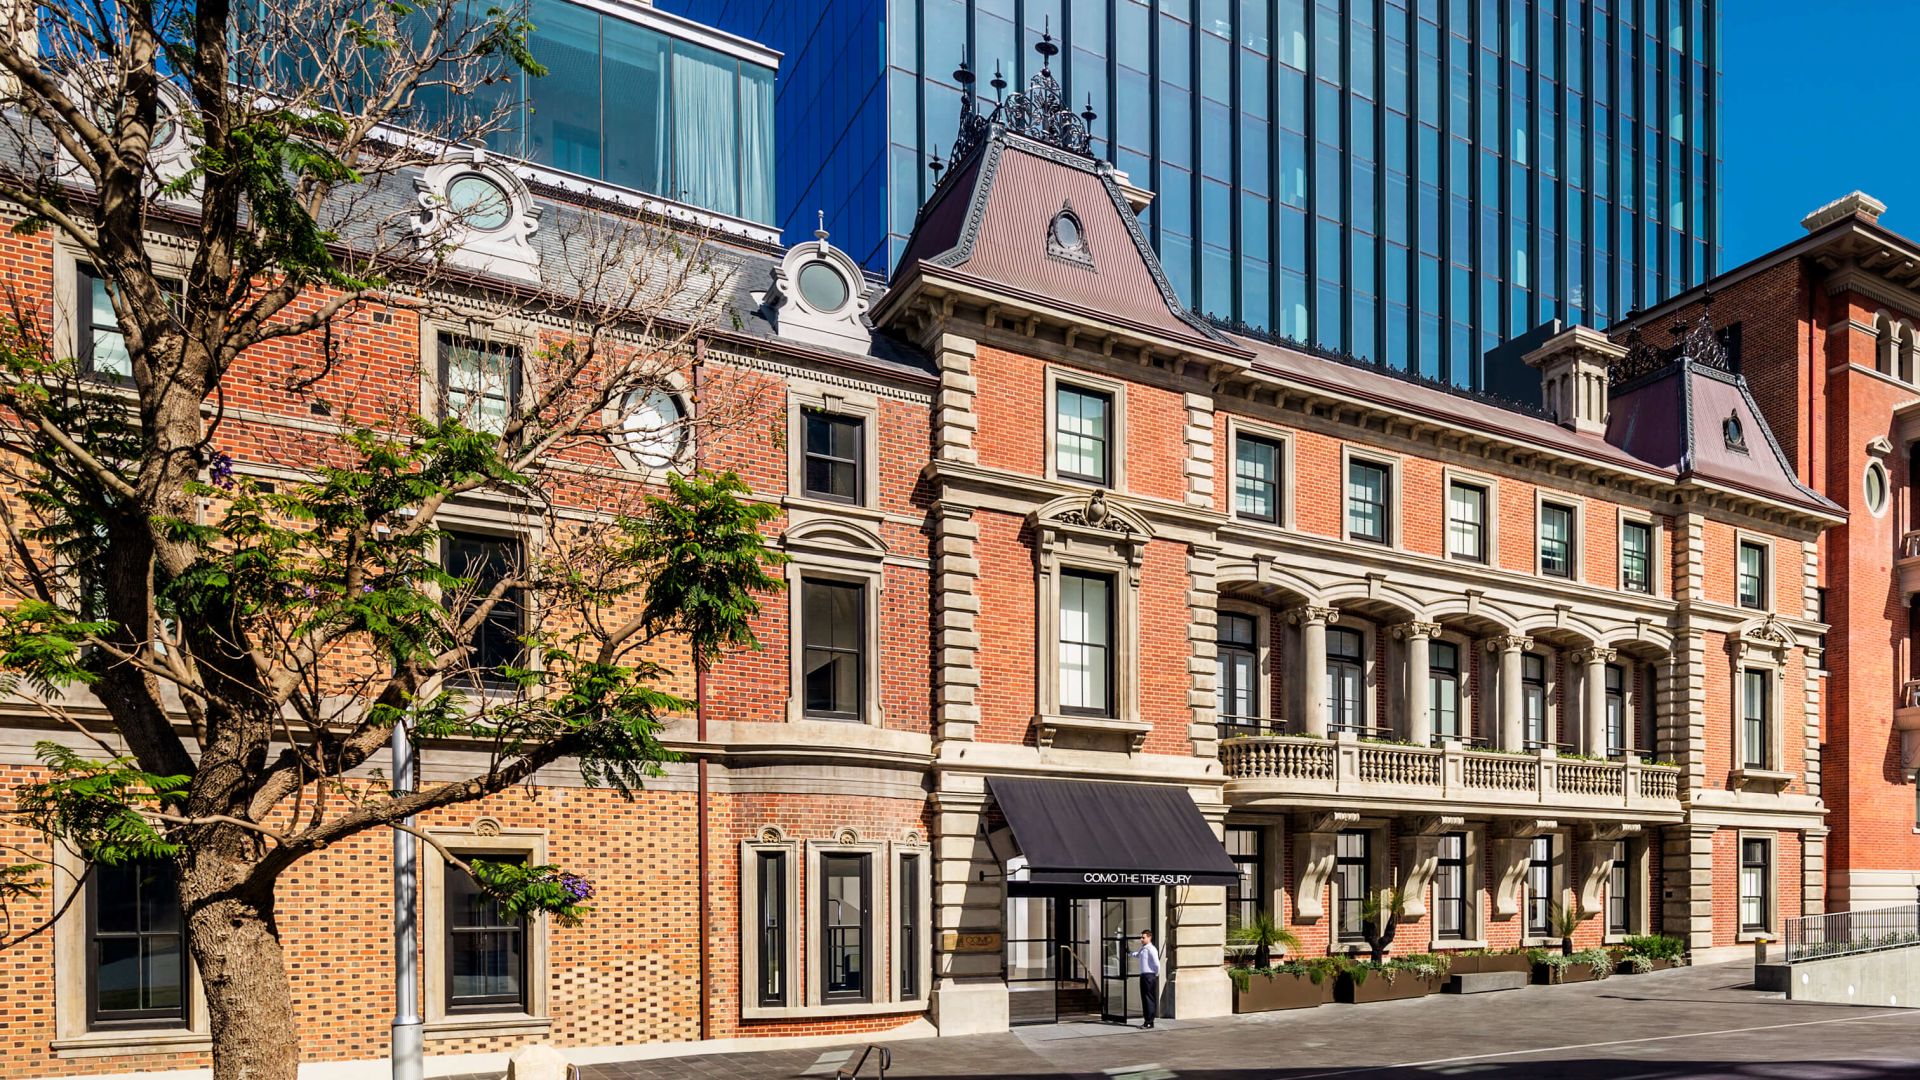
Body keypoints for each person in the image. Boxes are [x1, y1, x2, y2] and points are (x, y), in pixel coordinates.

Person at [1130, 929, 1161, 1028]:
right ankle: (1146, 1020)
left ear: (1149, 937)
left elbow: (1157, 963)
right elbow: (1137, 955)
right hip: (1143, 976)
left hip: (1149, 976)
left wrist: (1156, 974)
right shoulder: (1143, 949)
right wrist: (1129, 952)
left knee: (1149, 999)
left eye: (1143, 937)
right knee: (1144, 998)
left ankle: (1149, 1022)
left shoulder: (1151, 949)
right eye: (1141, 937)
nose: (1141, 939)